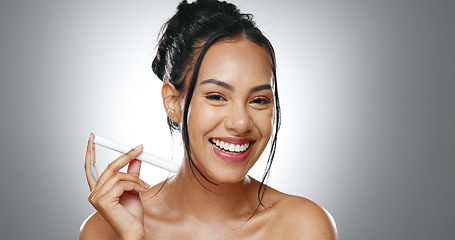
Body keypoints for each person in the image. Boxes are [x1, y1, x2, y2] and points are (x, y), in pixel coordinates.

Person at [80, 0, 338, 239]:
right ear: (172, 102)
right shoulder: (105, 229)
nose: (241, 123)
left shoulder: (303, 227)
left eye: (258, 100)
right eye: (216, 96)